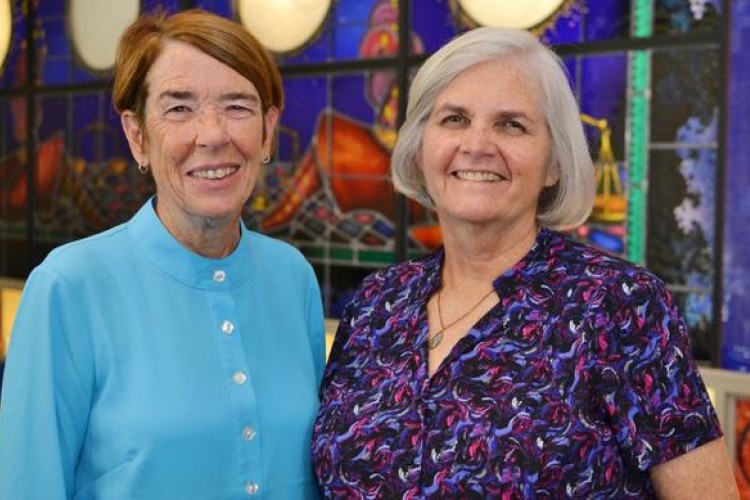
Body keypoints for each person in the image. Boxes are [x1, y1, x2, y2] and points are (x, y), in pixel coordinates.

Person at [311, 26, 739, 498]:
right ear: (419, 147)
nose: (477, 144)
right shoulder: (375, 305)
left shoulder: (619, 306)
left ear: (554, 163)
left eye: (511, 124)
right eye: (454, 119)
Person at [0, 9, 325, 499]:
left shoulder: (292, 276)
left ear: (268, 129)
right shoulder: (68, 286)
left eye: (238, 106)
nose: (213, 135)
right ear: (137, 136)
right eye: (179, 108)